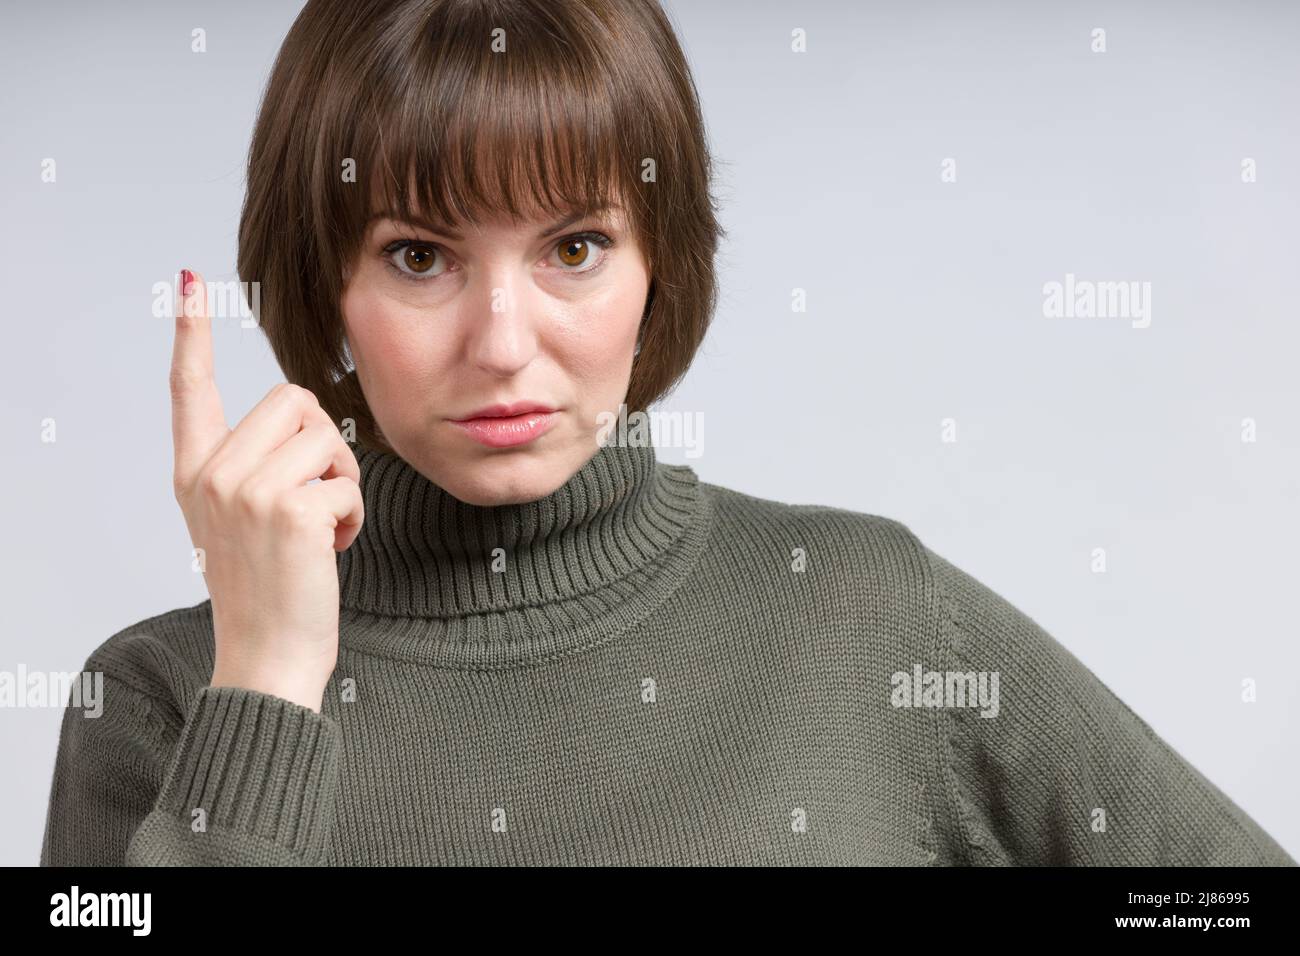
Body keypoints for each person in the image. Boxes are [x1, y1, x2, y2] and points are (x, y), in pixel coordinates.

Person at [40, 0, 1294, 866]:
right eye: (419, 255)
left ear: (659, 263)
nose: (503, 339)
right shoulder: (152, 701)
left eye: (573, 247)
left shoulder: (866, 610)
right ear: (326, 288)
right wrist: (263, 687)